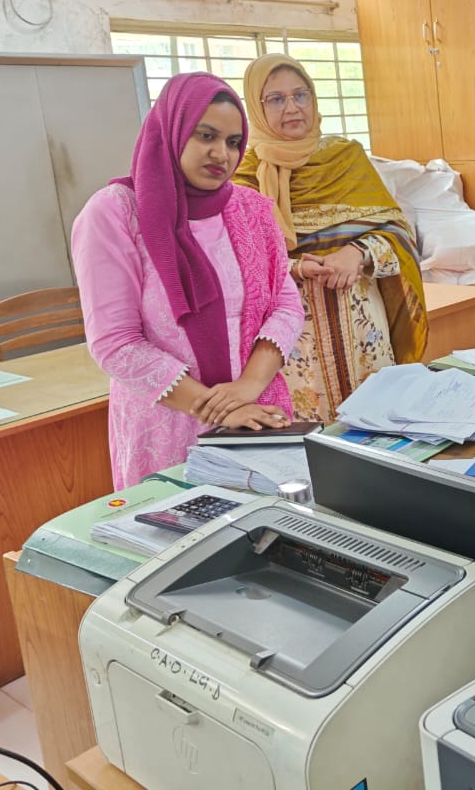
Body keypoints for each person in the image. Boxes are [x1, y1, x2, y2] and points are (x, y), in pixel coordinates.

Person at [72, 73, 304, 489]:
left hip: (256, 415)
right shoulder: (116, 214)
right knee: (187, 542)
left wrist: (248, 387)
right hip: (170, 424)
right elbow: (115, 343)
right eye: (206, 135)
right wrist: (214, 408)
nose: (222, 154)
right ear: (173, 130)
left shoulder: (251, 209)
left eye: (234, 142)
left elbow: (285, 304)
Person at [233, 54, 428, 423]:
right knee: (308, 447)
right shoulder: (243, 177)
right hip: (289, 343)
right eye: (275, 99)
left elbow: (398, 232)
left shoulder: (346, 159)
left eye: (300, 95)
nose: (292, 107)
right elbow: (232, 259)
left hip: (363, 335)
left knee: (379, 433)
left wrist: (358, 252)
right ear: (254, 109)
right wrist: (294, 267)